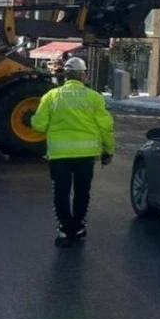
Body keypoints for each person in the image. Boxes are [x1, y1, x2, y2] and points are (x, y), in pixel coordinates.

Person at [31, 57, 115, 247]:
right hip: (85, 156)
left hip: (59, 156)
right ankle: (77, 226)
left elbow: (39, 125)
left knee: (60, 193)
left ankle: (64, 229)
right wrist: (108, 151)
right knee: (82, 192)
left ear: (66, 76)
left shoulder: (51, 96)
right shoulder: (94, 97)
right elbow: (106, 126)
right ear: (83, 75)